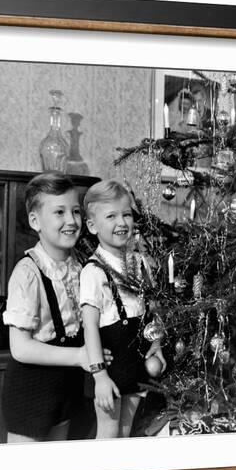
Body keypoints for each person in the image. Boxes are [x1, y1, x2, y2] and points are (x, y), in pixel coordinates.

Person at [1, 171, 111, 443]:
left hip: (66, 388)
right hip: (31, 391)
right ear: (35, 221)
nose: (72, 221)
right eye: (59, 212)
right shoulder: (27, 272)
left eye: (75, 211)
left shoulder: (82, 266)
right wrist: (80, 357)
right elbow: (20, 347)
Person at [80, 180, 166, 439]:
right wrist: (100, 377)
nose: (122, 222)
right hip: (110, 365)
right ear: (93, 226)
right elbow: (90, 328)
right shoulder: (93, 272)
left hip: (137, 360)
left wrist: (157, 344)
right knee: (108, 433)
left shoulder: (140, 263)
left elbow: (153, 309)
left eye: (126, 214)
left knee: (126, 432)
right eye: (111, 216)